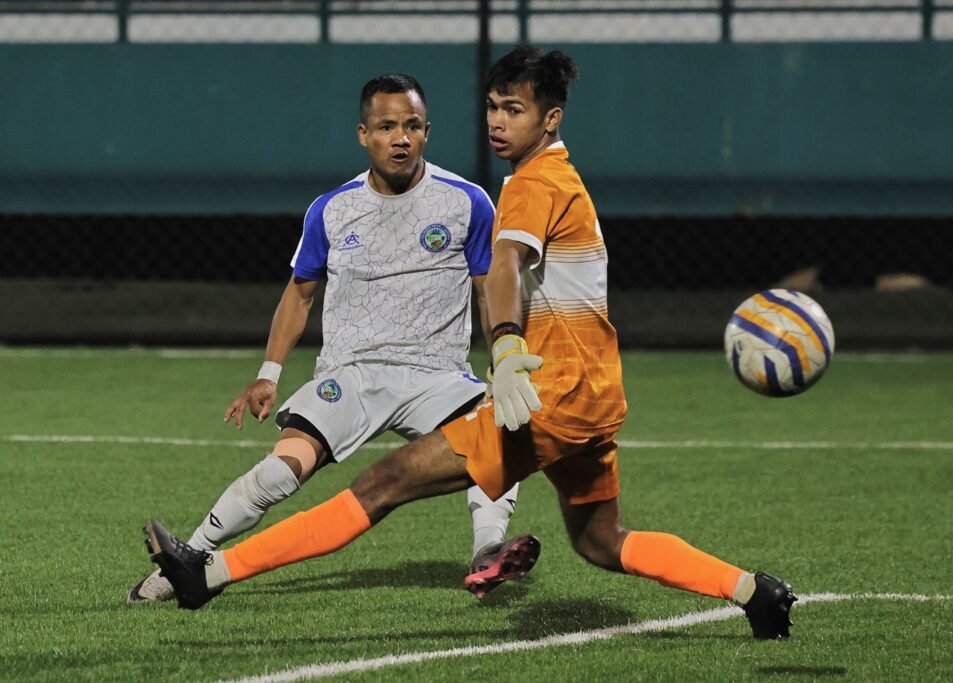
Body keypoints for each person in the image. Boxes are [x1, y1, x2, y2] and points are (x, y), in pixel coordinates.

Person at [143, 46, 797, 640]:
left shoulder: (532, 184)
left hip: (551, 395)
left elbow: (504, 266)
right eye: (492, 106)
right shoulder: (555, 179)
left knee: (383, 482)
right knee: (602, 541)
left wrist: (506, 347)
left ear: (551, 119)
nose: (497, 121)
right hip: (595, 397)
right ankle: (752, 591)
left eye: (515, 109)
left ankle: (209, 574)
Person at [129, 73, 537, 604]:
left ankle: (488, 551)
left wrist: (503, 357)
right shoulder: (332, 209)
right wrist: (268, 374)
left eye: (412, 125)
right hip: (352, 373)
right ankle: (186, 563)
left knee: (502, 433)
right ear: (363, 134)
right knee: (280, 471)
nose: (401, 138)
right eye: (386, 127)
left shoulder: (467, 202)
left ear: (427, 131)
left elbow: (489, 291)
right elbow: (299, 295)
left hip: (436, 375)